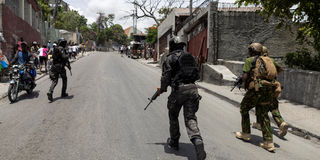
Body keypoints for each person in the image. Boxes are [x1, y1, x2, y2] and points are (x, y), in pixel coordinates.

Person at [159, 36, 206, 160]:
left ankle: (174, 141)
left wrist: (163, 88)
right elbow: (197, 75)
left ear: (172, 46)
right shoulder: (190, 57)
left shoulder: (170, 58)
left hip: (179, 90)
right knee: (190, 117)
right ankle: (197, 139)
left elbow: (165, 77)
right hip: (193, 89)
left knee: (173, 115)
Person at [235, 43, 280, 152]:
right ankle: (269, 143)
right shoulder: (269, 60)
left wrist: (240, 80)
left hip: (256, 90)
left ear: (251, 50)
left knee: (244, 108)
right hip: (269, 90)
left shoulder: (250, 60)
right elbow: (277, 71)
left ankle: (245, 133)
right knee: (264, 114)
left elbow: (245, 77)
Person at [252, 46, 288, 138]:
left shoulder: (259, 60)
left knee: (259, 105)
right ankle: (281, 123)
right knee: (274, 107)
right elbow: (280, 69)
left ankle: (259, 123)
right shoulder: (271, 60)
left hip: (263, 87)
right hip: (273, 86)